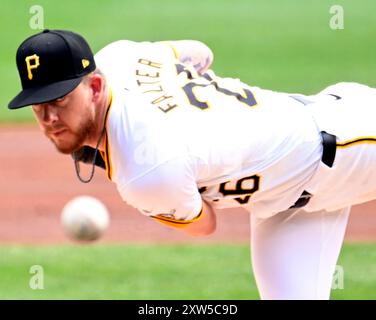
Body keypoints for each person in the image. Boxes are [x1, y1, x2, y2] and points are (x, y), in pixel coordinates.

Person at [8, 29, 376, 299]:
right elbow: (200, 52)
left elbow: (205, 225)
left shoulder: (145, 172)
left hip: (349, 143)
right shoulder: (120, 56)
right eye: (38, 104)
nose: (49, 116)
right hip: (285, 206)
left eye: (59, 100)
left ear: (95, 88)